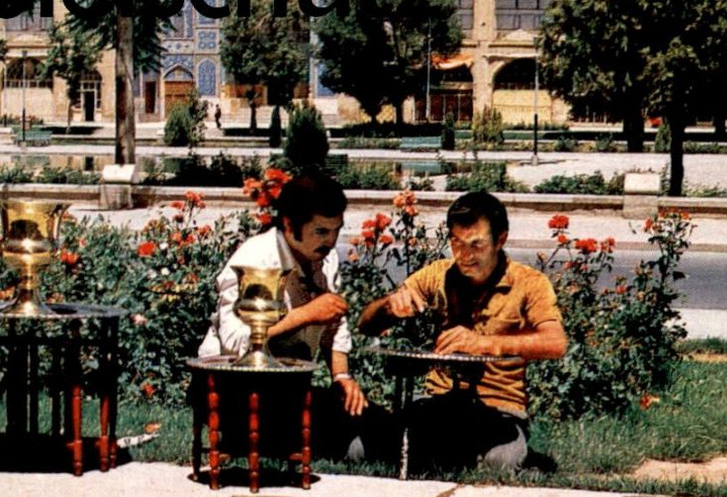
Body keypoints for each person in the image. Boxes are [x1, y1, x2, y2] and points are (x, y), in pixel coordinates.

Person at [358, 190, 567, 475]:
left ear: (500, 240)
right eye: (456, 243)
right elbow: (365, 324)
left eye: (476, 245)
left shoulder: (529, 283)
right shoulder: (438, 274)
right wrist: (389, 307)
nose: (464, 255)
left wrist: (485, 344)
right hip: (438, 403)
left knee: (498, 461)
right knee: (364, 447)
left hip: (499, 408)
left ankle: (464, 455)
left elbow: (555, 343)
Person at [198, 171, 384, 460]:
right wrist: (305, 314)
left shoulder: (323, 257)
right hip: (232, 389)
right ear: (288, 225)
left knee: (374, 419)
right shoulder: (257, 259)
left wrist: (342, 378)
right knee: (354, 435)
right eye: (321, 232)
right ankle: (250, 440)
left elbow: (334, 324)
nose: (331, 241)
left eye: (336, 231)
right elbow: (234, 342)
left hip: (287, 388)